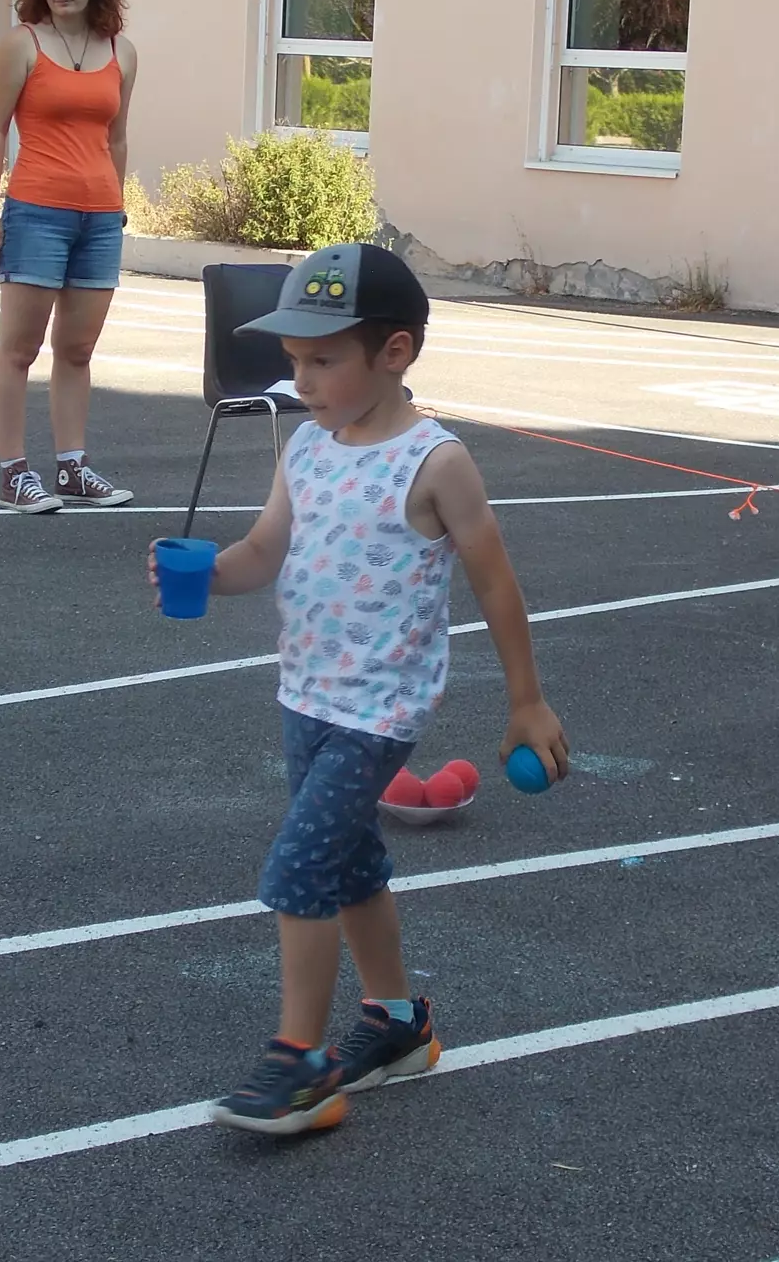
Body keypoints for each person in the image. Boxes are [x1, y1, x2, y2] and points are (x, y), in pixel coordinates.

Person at [147, 243, 570, 1136]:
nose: (303, 378)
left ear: (396, 352)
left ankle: (299, 1065)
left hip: (379, 711)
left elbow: (496, 582)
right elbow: (266, 551)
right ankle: (398, 1022)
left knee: (300, 868)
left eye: (324, 359)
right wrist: (208, 574)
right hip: (305, 694)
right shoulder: (306, 445)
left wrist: (525, 702)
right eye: (296, 360)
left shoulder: (435, 462)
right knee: (351, 868)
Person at [0, 0, 138, 513]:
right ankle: (14, 473)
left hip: (100, 219)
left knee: (77, 351)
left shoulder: (121, 51)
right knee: (19, 349)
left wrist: (116, 204)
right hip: (36, 210)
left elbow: (116, 137)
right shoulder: (21, 45)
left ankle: (72, 467)